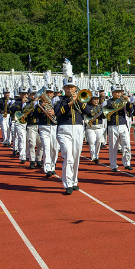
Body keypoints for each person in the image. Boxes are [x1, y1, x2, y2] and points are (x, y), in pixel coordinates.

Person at [54, 60, 84, 195]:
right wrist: (70, 104)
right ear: (64, 89)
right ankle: (67, 183)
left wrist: (79, 102)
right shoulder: (59, 101)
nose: (70, 89)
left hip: (78, 129)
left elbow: (89, 111)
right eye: (67, 87)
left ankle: (74, 180)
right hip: (64, 130)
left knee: (76, 156)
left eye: (72, 87)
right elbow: (57, 113)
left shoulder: (81, 100)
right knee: (68, 156)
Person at [105, 73, 132, 172]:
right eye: (116, 92)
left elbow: (130, 110)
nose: (119, 94)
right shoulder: (108, 102)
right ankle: (113, 165)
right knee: (113, 146)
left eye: (120, 92)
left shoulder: (124, 101)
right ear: (112, 93)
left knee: (127, 144)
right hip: (112, 125)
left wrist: (128, 102)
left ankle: (127, 162)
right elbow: (106, 111)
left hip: (123, 124)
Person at [36, 74, 59, 179]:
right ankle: (47, 168)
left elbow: (59, 112)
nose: (49, 94)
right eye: (47, 92)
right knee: (46, 147)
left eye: (51, 92)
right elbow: (34, 114)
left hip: (54, 127)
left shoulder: (57, 102)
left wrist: (53, 112)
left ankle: (53, 166)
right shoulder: (39, 103)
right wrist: (41, 107)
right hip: (44, 126)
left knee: (54, 148)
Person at [82, 79, 105, 165]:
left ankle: (97, 155)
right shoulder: (87, 106)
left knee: (98, 141)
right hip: (90, 127)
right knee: (92, 142)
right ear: (91, 100)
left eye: (97, 99)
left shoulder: (101, 107)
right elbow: (86, 113)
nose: (96, 101)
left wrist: (102, 113)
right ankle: (94, 157)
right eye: (94, 99)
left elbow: (104, 116)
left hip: (99, 126)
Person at [0, 82, 13, 147]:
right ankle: (5, 141)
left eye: (8, 93)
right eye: (6, 93)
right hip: (3, 115)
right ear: (3, 93)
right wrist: (1, 111)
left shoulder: (12, 100)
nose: (7, 94)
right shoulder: (0, 100)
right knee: (3, 128)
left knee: (9, 128)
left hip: (9, 115)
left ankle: (9, 141)